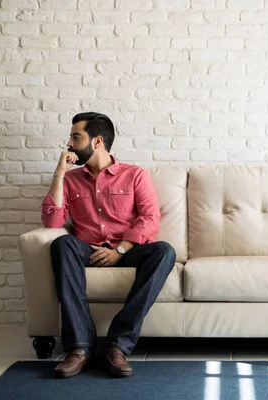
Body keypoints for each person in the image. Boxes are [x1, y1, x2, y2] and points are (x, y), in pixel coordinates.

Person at [41, 112, 176, 378]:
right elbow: (52, 221)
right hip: (87, 249)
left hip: (128, 249)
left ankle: (117, 344)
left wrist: (119, 251)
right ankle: (80, 347)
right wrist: (59, 172)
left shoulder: (135, 175)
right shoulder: (70, 179)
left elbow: (150, 218)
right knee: (62, 244)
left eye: (76, 137)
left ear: (97, 141)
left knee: (164, 251)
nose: (69, 143)